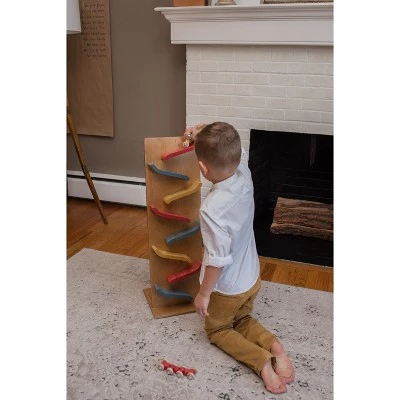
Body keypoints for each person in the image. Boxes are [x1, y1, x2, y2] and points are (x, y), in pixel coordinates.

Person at [184, 122, 295, 394]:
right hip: (252, 278)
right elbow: (236, 149)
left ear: (202, 168)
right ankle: (274, 347)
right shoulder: (244, 172)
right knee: (242, 320)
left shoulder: (211, 210)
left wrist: (204, 294)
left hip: (228, 289)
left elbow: (217, 259)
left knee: (218, 330)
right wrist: (201, 133)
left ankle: (262, 361)